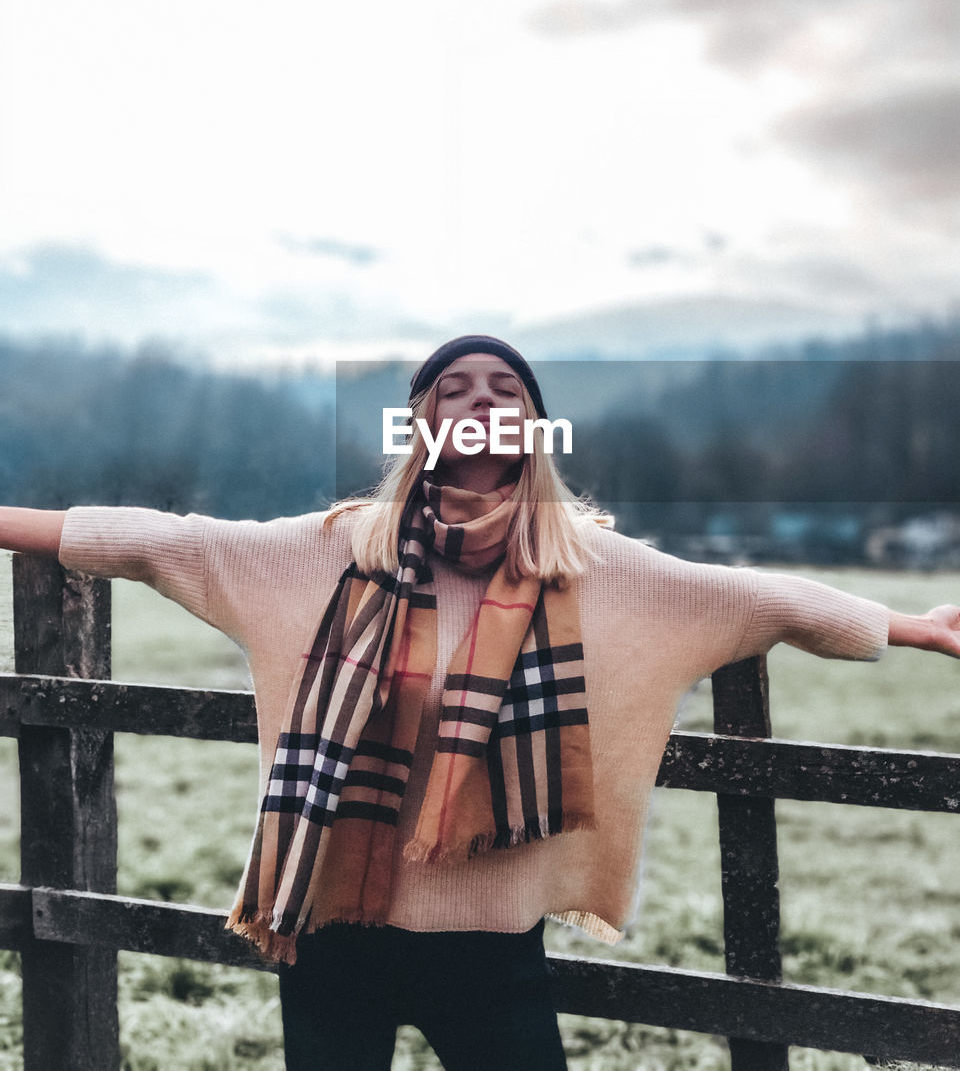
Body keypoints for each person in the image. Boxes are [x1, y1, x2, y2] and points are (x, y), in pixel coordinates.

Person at [1, 333, 958, 1071]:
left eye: (505, 391)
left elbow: (756, 598)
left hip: (492, 946)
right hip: (333, 927)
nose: (479, 402)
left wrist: (911, 625)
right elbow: (162, 541)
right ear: (421, 427)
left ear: (532, 430)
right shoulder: (331, 550)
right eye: (451, 390)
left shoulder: (592, 567)